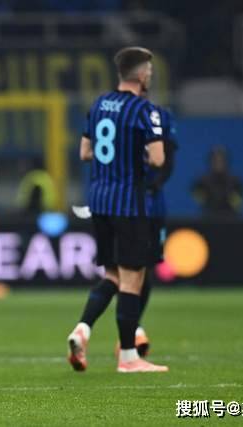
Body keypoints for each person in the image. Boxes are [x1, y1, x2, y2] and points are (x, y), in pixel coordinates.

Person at [66, 46, 170, 373]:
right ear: (140, 74)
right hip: (129, 203)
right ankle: (128, 357)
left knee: (113, 274)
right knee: (132, 279)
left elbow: (85, 152)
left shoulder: (99, 104)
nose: (150, 76)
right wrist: (134, 156)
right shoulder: (145, 110)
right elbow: (158, 159)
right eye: (149, 71)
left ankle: (83, 330)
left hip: (99, 201)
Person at [191, 145, 243, 216]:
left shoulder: (236, 182)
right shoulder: (201, 182)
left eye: (221, 160)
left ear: (226, 162)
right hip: (207, 218)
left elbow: (237, 204)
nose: (218, 163)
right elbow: (200, 200)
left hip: (231, 218)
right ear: (210, 161)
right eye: (215, 160)